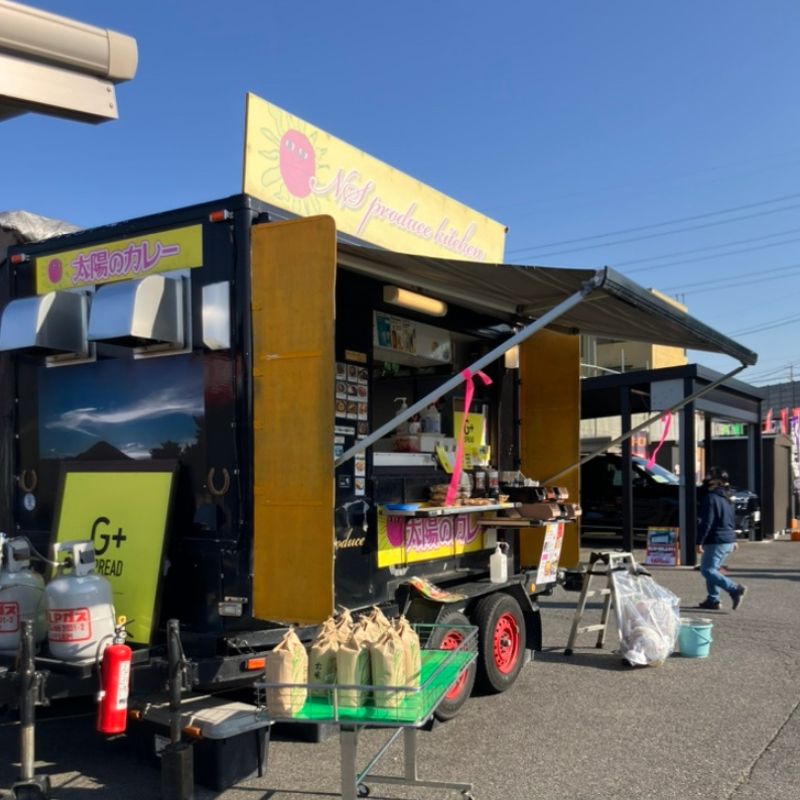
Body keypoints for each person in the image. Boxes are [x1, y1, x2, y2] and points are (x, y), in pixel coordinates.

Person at [696, 467, 748, 611]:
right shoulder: (727, 498)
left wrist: (699, 541)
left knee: (707, 570)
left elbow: (707, 522)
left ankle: (734, 589)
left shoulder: (711, 498)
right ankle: (713, 600)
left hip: (716, 540)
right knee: (713, 570)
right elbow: (731, 520)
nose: (706, 480)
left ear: (717, 481)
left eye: (709, 477)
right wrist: (734, 539)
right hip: (727, 541)